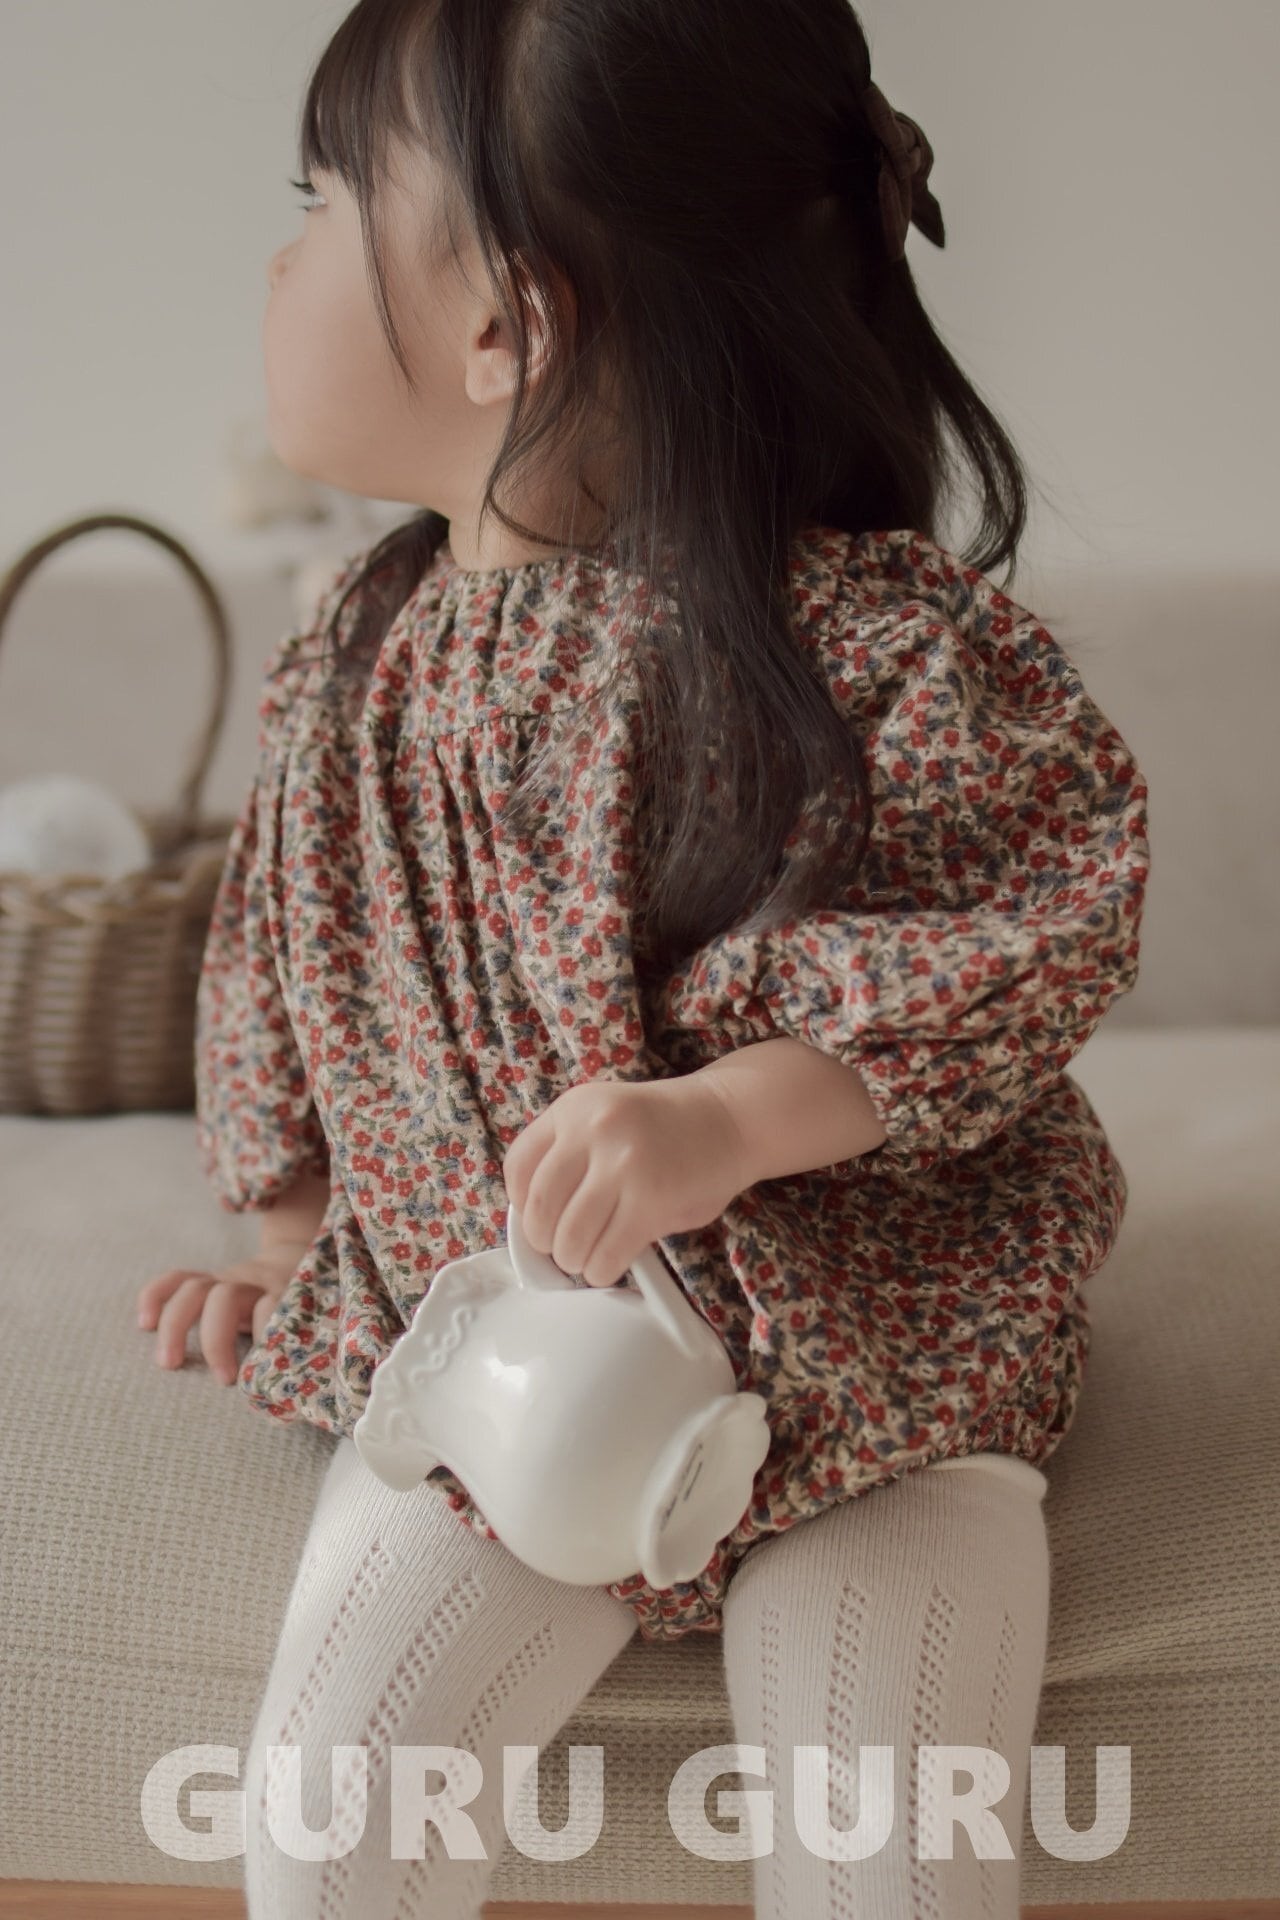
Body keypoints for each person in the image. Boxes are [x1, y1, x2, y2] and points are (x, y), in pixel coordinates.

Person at [135, 0, 1149, 1913]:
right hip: (499, 1368)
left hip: (874, 1377)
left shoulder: (862, 648)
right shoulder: (351, 661)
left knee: (895, 1845)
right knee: (329, 1815)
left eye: (320, 202)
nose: (280, 260)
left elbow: (1026, 921)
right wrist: (283, 1234)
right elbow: (286, 954)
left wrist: (735, 1118)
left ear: (507, 327)